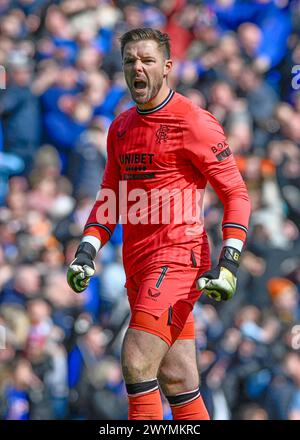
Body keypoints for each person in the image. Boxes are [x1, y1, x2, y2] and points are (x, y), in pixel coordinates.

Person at [67, 28, 251, 420]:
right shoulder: (120, 127)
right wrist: (87, 250)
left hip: (178, 259)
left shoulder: (194, 122)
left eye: (147, 60)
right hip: (138, 263)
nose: (138, 67)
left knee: (135, 359)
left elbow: (236, 193)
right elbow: (109, 196)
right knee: (178, 377)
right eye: (130, 60)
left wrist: (229, 261)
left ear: (167, 67)